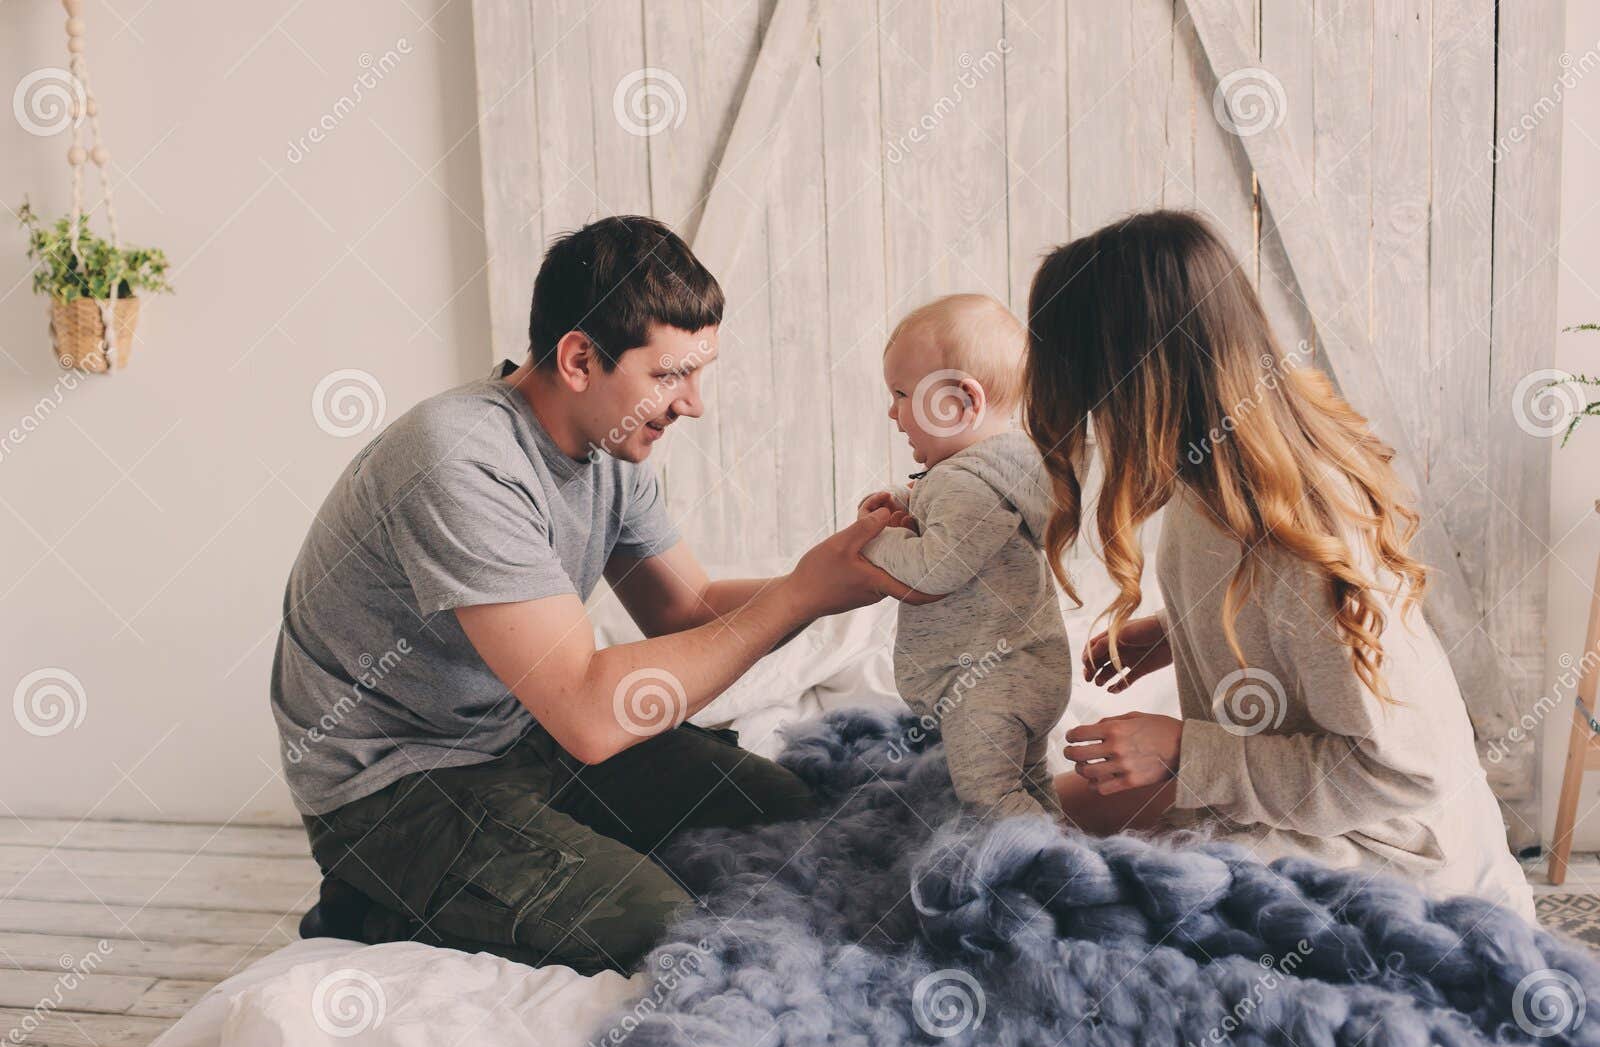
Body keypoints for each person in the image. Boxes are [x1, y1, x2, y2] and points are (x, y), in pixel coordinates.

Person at [271, 215, 930, 975]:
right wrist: (801, 595)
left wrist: (848, 577)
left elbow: (684, 608)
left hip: (527, 736)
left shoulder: (609, 449)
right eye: (669, 375)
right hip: (401, 787)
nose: (693, 405)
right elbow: (589, 714)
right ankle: (370, 898)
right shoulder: (458, 461)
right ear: (580, 359)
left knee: (793, 819)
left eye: (697, 374)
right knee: (667, 929)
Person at [1024, 209, 1535, 919]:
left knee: (1076, 898)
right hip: (1293, 806)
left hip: (1386, 853)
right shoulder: (1215, 479)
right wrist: (1179, 631)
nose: (1093, 424)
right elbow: (1278, 628)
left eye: (1092, 396)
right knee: (1032, 822)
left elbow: (1395, 773)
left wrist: (1181, 751)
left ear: (1138, 379)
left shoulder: (1299, 531)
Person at [857, 294, 1071, 820]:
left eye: (901, 394)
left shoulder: (968, 484)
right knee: (1028, 780)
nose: (892, 411)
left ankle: (1043, 868)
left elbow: (937, 567)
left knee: (988, 795)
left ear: (957, 403)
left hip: (990, 682)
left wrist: (875, 540)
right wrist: (904, 504)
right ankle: (1063, 845)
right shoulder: (998, 472)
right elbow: (957, 526)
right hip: (1026, 669)